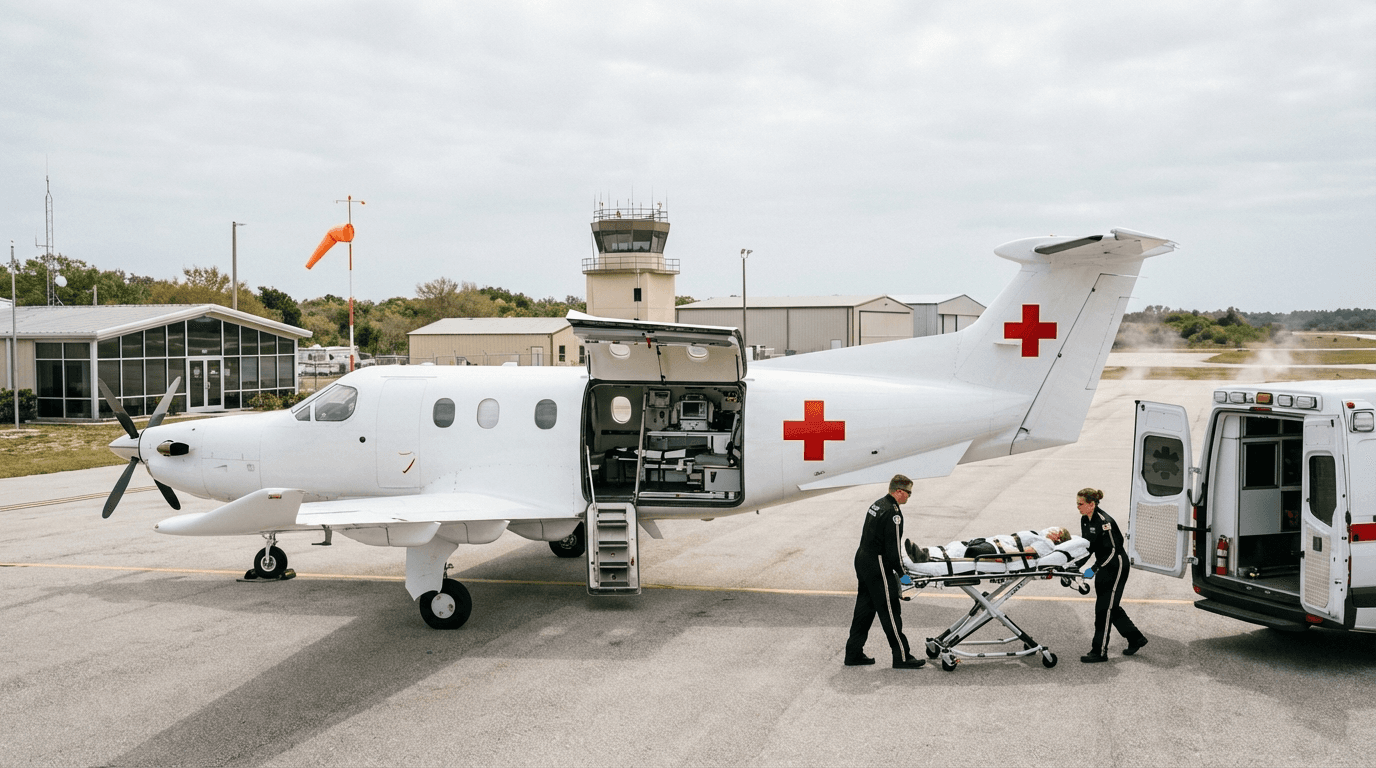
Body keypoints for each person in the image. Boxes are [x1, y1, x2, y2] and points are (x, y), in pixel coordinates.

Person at [845, 474, 925, 669]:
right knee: (890, 610)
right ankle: (902, 657)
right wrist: (904, 576)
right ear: (899, 491)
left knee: (865, 609)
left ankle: (853, 653)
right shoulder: (893, 513)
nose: (909, 497)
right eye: (908, 493)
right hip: (878, 564)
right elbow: (893, 551)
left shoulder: (877, 504)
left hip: (863, 561)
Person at [1077, 488, 1148, 662]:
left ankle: (1099, 652)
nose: (1077, 507)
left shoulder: (1104, 522)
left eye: (1080, 504)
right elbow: (1088, 547)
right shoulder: (1085, 520)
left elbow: (1113, 551)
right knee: (1110, 606)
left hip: (1116, 566)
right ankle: (1136, 638)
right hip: (1103, 565)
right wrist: (1074, 565)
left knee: (1103, 610)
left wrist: (1094, 568)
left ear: (1091, 504)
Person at [904, 527, 1071, 563]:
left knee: (964, 553)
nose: (1052, 528)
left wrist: (999, 558)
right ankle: (922, 552)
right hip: (991, 543)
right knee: (955, 547)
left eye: (1057, 530)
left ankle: (927, 559)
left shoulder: (1047, 544)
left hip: (998, 550)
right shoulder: (1038, 535)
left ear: (1058, 538)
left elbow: (1026, 554)